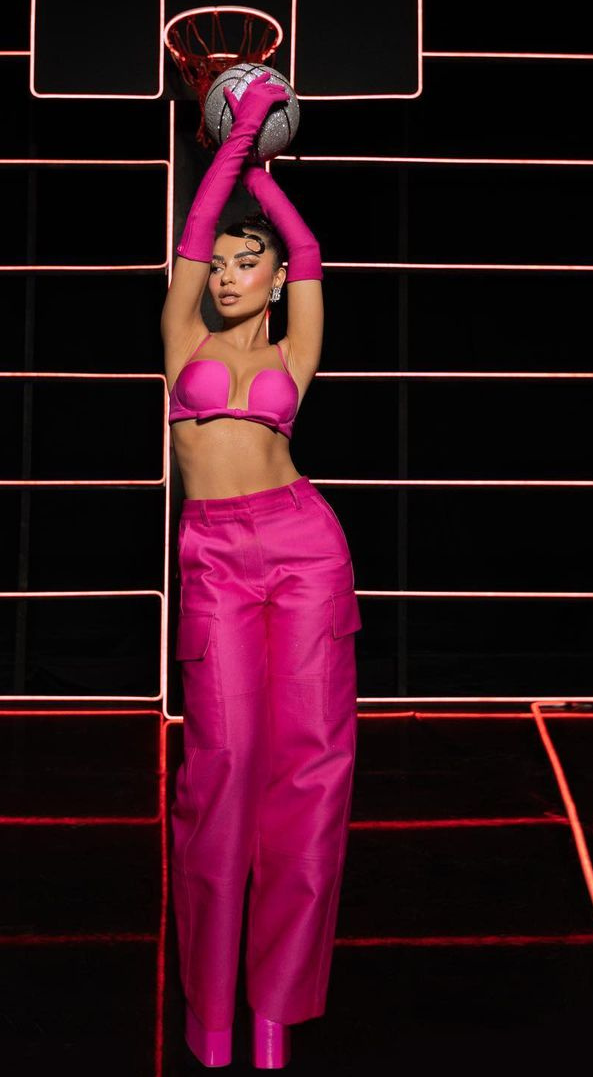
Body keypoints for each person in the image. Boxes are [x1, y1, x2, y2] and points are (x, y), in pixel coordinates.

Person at [161, 72, 361, 1069]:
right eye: (224, 265)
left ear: (279, 279)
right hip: (217, 557)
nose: (231, 275)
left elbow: (309, 246)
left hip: (304, 547)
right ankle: (210, 1020)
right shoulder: (182, 335)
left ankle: (274, 1015)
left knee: (310, 774)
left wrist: (266, 172)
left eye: (253, 263)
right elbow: (198, 228)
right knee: (222, 771)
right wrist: (238, 138)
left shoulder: (295, 349)